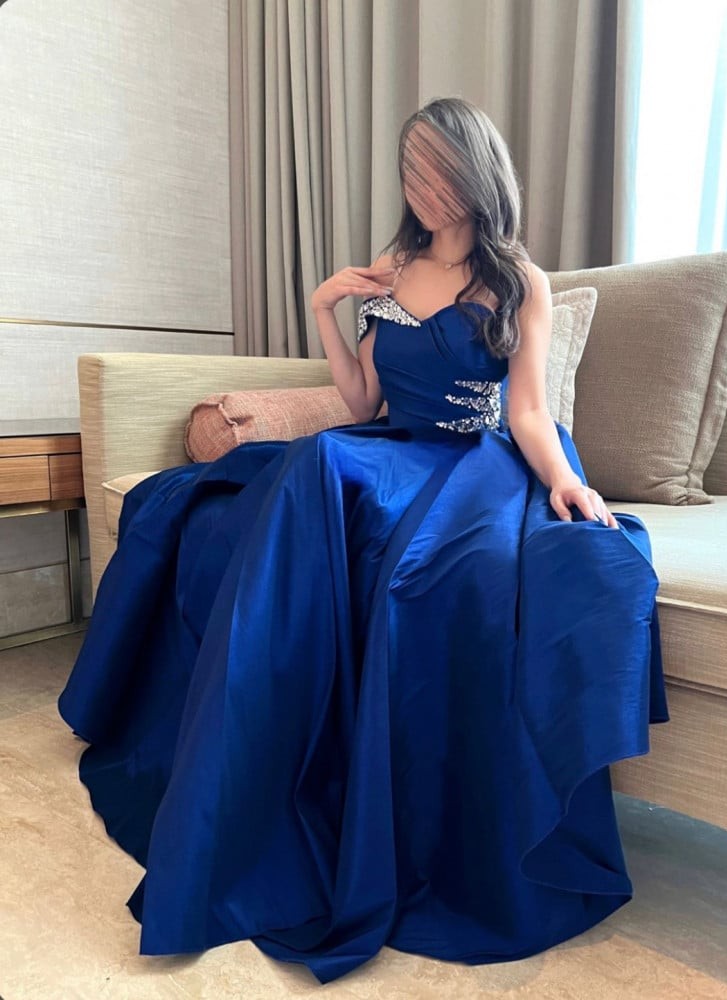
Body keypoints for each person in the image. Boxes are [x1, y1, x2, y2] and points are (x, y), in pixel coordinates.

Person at [58, 96, 669, 986]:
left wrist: (564, 481)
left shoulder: (519, 281)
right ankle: (244, 744)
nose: (421, 187)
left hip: (476, 463)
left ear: (475, 171)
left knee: (403, 532)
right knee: (248, 484)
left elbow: (529, 411)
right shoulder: (397, 267)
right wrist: (325, 308)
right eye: (410, 171)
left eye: (437, 170)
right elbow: (358, 402)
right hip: (389, 448)